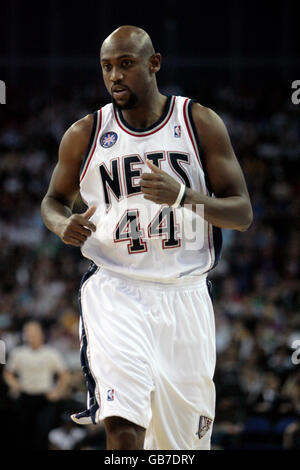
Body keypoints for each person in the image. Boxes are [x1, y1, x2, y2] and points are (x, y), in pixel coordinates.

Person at [41, 25, 253, 450]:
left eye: (125, 64)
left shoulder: (198, 123)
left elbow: (242, 213)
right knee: (123, 425)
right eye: (106, 67)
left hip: (186, 295)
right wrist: (63, 224)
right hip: (116, 289)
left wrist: (184, 196)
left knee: (180, 449)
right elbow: (52, 201)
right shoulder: (85, 134)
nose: (115, 76)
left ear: (154, 64)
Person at [4, 321, 69, 449]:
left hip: (44, 398)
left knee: (43, 434)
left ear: (41, 334)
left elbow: (64, 375)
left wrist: (57, 391)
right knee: (23, 434)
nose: (31, 335)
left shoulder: (51, 353)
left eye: (34, 332)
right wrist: (15, 385)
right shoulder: (18, 353)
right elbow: (8, 373)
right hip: (24, 397)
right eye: (27, 332)